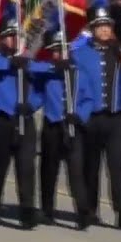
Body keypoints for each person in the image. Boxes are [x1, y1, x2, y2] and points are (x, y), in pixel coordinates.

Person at [0, 15, 51, 229]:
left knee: (26, 167)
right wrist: (10, 63)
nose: (14, 40)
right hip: (2, 119)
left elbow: (42, 86)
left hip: (24, 119)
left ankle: (27, 212)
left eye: (17, 36)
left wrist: (32, 104)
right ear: (1, 39)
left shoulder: (28, 62)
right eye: (9, 36)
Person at [71, 4, 121, 230]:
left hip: (115, 118)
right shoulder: (79, 54)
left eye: (107, 26)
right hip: (91, 118)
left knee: (116, 165)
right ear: (92, 29)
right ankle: (89, 211)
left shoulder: (119, 53)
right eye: (100, 26)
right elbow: (75, 87)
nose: (104, 30)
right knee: (91, 168)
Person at [35, 31, 92, 229]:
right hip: (52, 126)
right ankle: (47, 210)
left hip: (72, 127)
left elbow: (88, 99)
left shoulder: (78, 74)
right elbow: (36, 92)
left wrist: (80, 115)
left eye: (62, 50)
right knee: (48, 171)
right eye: (55, 51)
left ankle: (83, 212)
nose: (58, 55)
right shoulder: (48, 73)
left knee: (76, 172)